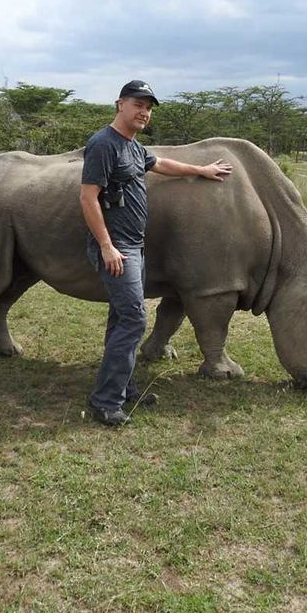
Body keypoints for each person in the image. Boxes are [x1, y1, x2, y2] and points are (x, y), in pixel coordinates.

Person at [80, 80, 232, 426]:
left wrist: (201, 170)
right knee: (134, 319)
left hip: (134, 245)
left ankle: (124, 386)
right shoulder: (104, 144)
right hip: (118, 247)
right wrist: (106, 246)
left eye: (148, 107)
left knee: (122, 318)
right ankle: (105, 401)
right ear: (120, 104)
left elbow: (161, 163)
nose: (143, 112)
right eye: (137, 104)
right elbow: (88, 197)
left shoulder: (133, 147)